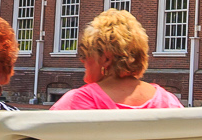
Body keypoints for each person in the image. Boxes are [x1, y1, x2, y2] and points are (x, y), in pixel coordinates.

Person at [50, 10, 183, 111]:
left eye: (85, 54)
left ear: (106, 59)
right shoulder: (169, 102)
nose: (82, 60)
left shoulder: (77, 102)